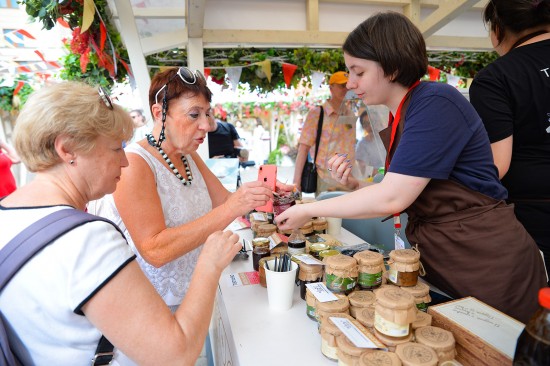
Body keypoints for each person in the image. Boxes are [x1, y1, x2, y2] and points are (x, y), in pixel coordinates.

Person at [275, 11, 548, 323]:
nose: (350, 83)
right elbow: (403, 189)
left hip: (486, 260)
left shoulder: (436, 101)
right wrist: (354, 185)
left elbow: (394, 198)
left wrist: (307, 210)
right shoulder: (405, 114)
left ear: (391, 67)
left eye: (358, 72)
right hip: (449, 255)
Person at [0, 81, 242, 365]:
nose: (125, 162)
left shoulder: (8, 215)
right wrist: (210, 263)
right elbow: (176, 355)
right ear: (68, 150)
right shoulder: (87, 240)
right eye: (116, 149)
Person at [88, 67, 291, 314]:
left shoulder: (188, 156)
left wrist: (265, 191)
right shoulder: (135, 163)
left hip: (195, 294)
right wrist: (232, 206)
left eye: (207, 114)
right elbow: (155, 250)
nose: (206, 125)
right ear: (159, 113)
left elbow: (225, 201)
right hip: (152, 310)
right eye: (194, 115)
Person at [469, 0, 550, 282]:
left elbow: (495, 167)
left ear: (498, 30)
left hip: (536, 222)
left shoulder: (497, 78)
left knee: (538, 318)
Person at [293, 71, 356, 195]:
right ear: (331, 88)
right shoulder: (317, 113)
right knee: (326, 214)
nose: (345, 90)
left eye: (348, 86)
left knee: (349, 214)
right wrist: (296, 182)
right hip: (326, 178)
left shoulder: (350, 114)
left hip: (350, 178)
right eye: (341, 86)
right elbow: (303, 149)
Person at [354, 110, 385, 180]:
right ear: (363, 127)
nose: (370, 126)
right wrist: (383, 172)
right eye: (366, 124)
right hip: (376, 181)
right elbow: (363, 169)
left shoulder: (388, 137)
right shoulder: (362, 144)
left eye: (373, 121)